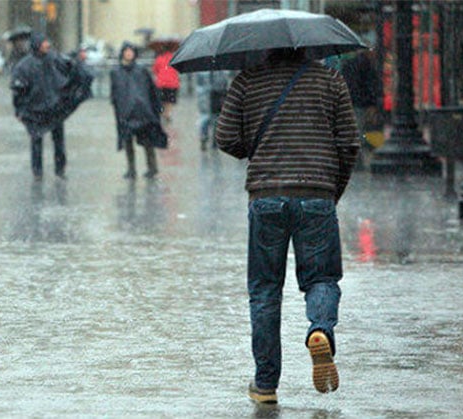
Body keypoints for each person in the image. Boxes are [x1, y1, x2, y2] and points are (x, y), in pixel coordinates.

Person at [215, 47, 360, 404]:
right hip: (317, 193)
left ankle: (265, 384)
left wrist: (260, 145)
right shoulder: (330, 80)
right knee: (322, 278)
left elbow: (225, 138)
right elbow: (350, 143)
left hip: (266, 195)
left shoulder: (247, 80)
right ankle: (320, 330)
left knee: (265, 290)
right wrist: (331, 190)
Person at [10, 33, 70, 180]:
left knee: (59, 142)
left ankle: (60, 170)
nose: (47, 46)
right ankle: (37, 172)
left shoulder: (54, 60)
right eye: (44, 43)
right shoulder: (25, 65)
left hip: (55, 108)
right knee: (36, 141)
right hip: (35, 110)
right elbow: (18, 91)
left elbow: (68, 73)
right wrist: (19, 110)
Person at [111, 42, 167, 179]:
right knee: (128, 142)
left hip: (143, 111)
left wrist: (155, 107)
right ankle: (131, 169)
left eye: (131, 51)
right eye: (126, 51)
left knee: (148, 142)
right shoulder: (116, 72)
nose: (129, 54)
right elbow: (115, 93)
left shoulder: (141, 70)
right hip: (126, 112)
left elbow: (151, 90)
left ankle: (152, 168)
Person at [195, 70, 230, 151]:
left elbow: (199, 85)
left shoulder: (201, 70)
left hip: (207, 96)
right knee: (215, 118)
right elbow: (224, 84)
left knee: (206, 118)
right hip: (215, 96)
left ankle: (204, 137)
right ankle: (213, 139)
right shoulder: (222, 69)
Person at [151, 47, 180, 123]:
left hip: (161, 83)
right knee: (170, 100)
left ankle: (163, 113)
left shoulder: (159, 58)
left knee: (162, 100)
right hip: (173, 83)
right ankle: (167, 114)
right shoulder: (174, 58)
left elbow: (154, 70)